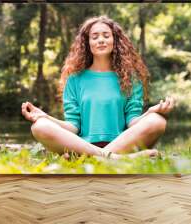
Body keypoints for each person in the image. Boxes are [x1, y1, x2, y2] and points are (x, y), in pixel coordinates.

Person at [21, 16, 174, 159]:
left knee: (157, 121)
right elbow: (73, 126)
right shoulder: (74, 79)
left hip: (123, 144)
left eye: (106, 36)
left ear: (115, 41)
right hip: (83, 145)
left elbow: (132, 122)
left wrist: (150, 112)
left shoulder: (131, 79)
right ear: (88, 43)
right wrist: (45, 117)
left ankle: (94, 159)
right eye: (95, 37)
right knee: (39, 126)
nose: (101, 40)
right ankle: (114, 159)